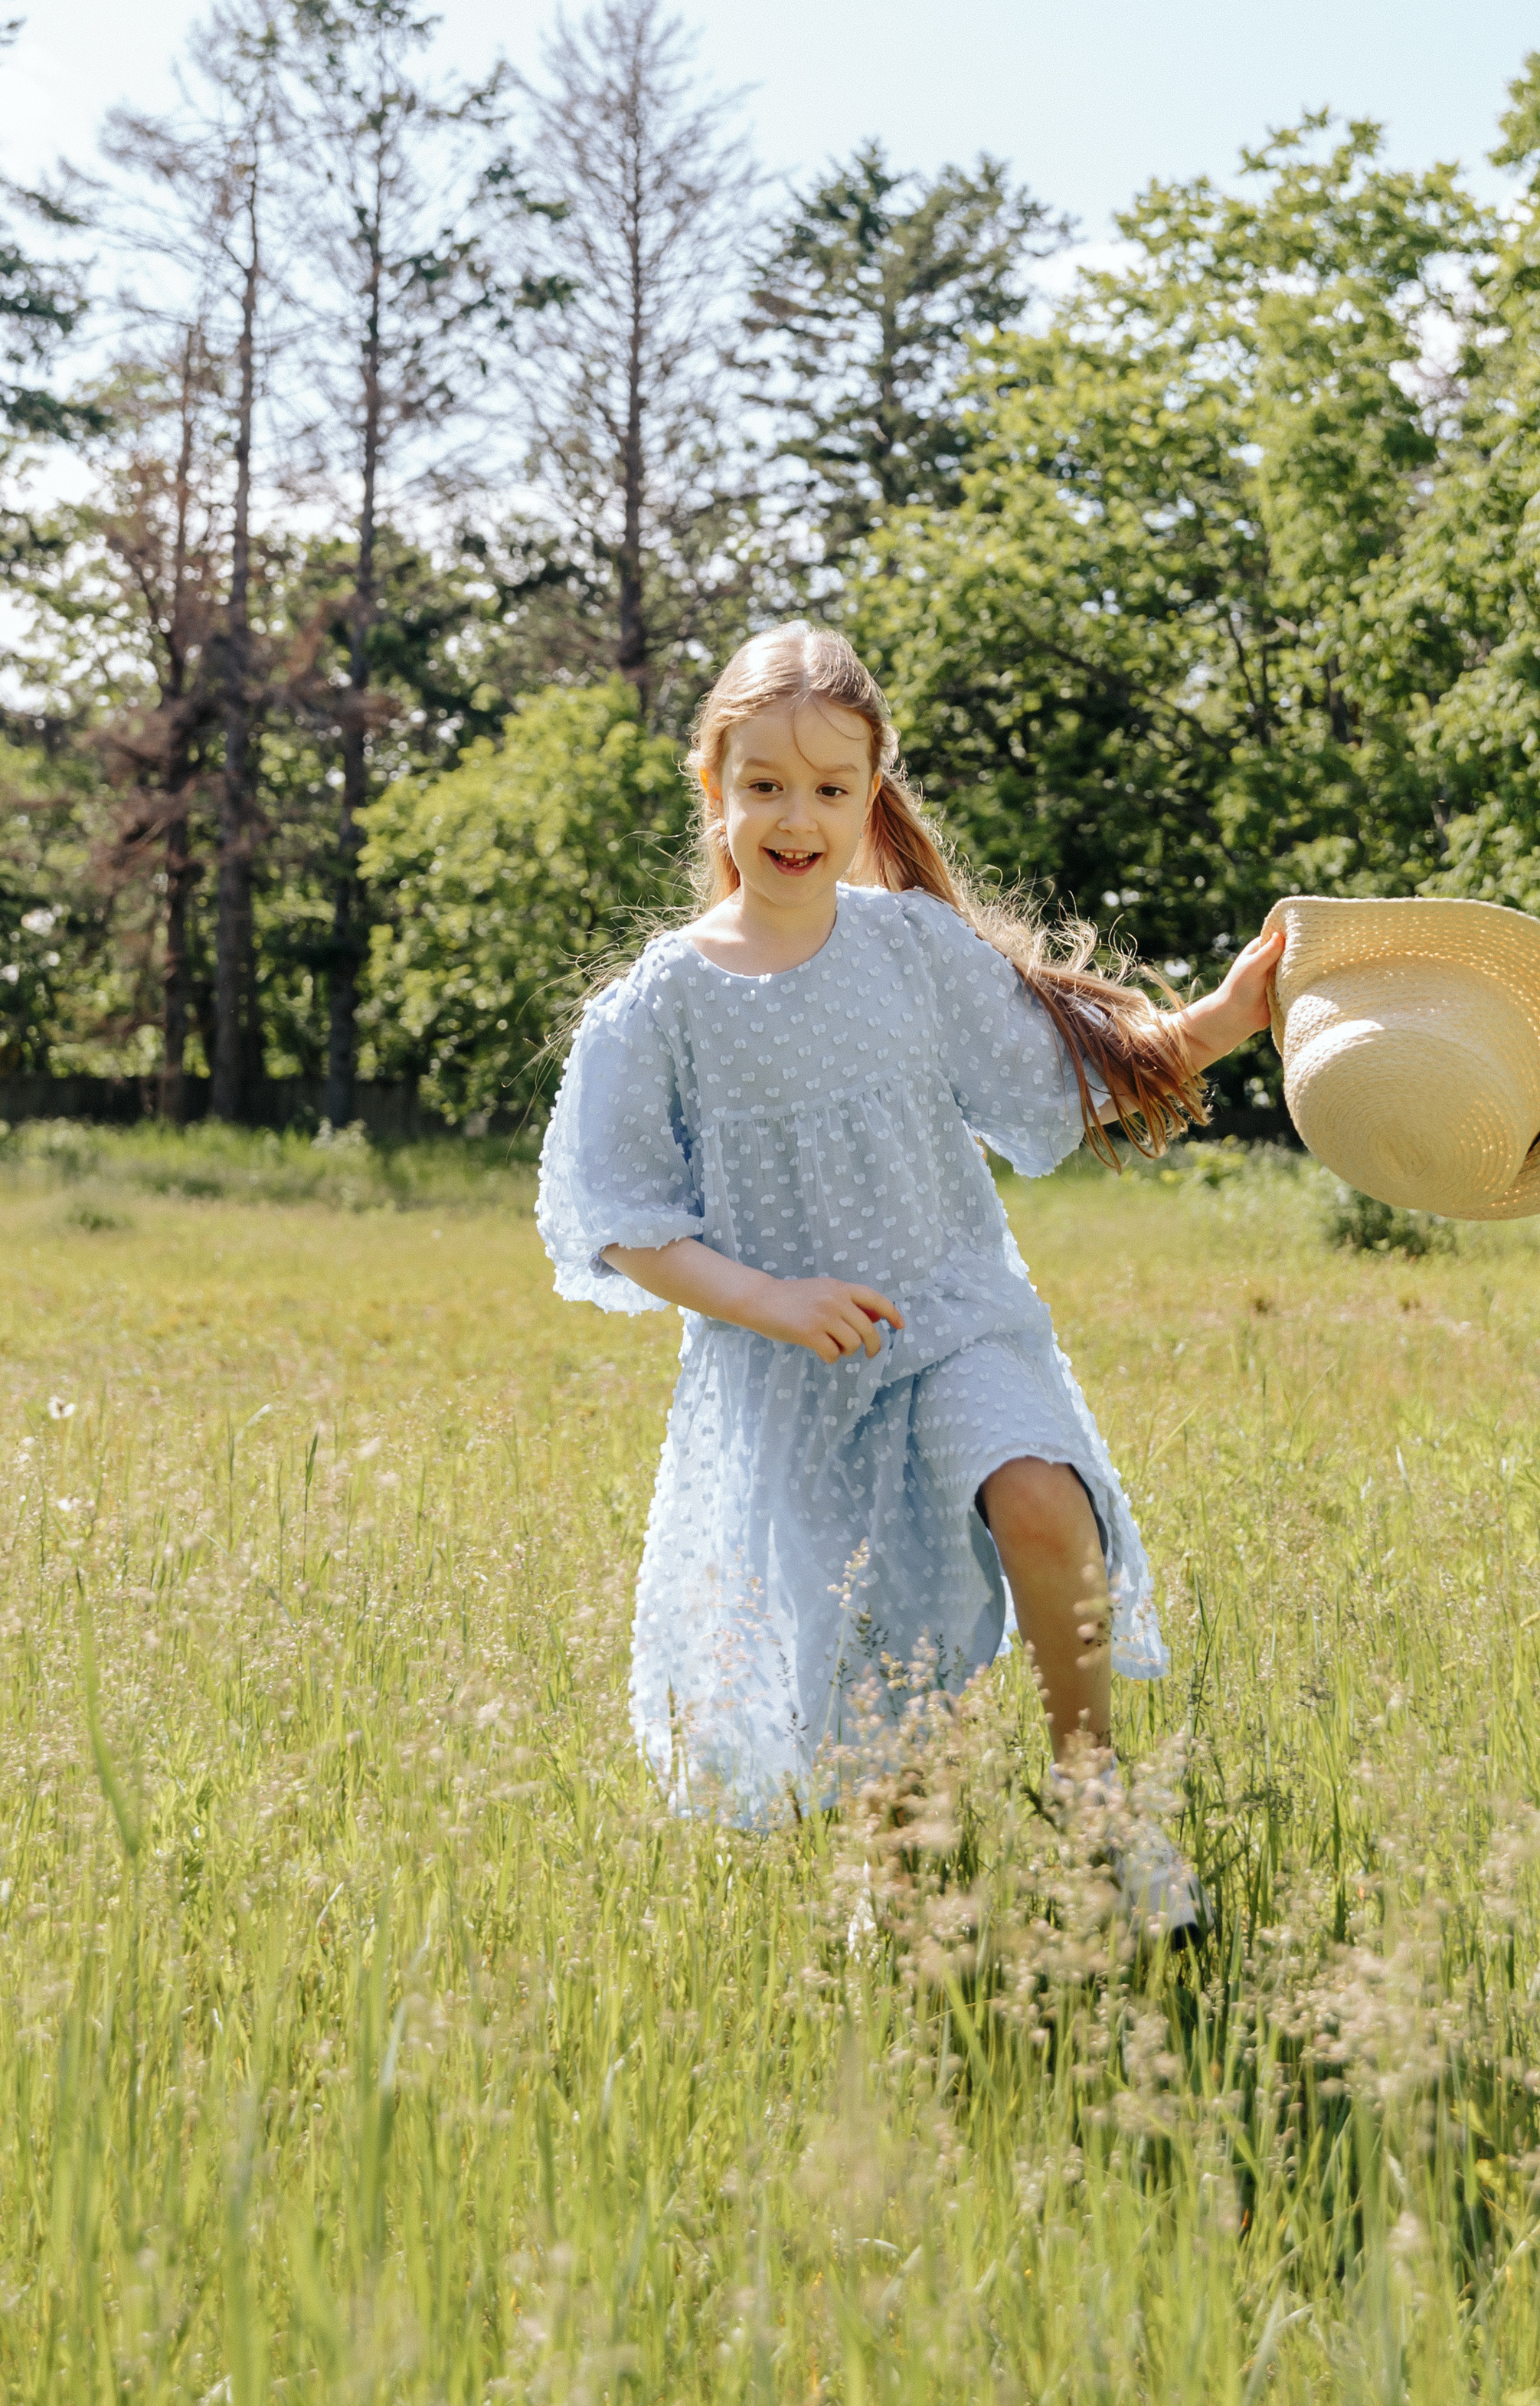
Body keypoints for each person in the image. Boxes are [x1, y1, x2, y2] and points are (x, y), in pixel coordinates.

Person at [535, 626, 1281, 1924]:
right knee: (875, 1678)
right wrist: (773, 1300)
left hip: (956, 1318)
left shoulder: (910, 950)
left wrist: (1222, 1018)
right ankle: (903, 1904)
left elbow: (1062, 1085)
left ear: (873, 793)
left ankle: (1100, 1810)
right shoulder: (658, 1007)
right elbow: (624, 1220)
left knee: (1046, 1507)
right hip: (796, 1379)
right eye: (764, 782)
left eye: (832, 787)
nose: (796, 816)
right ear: (711, 783)